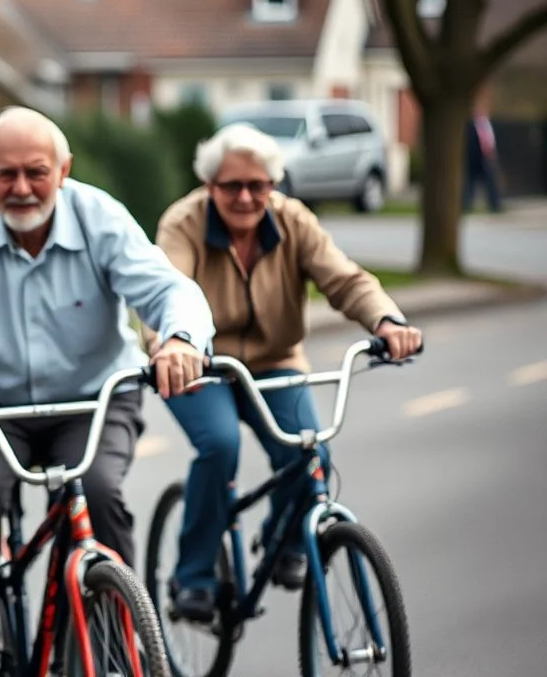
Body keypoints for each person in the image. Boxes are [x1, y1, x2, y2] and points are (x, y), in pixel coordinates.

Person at [0, 106, 216, 676]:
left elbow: (169, 288)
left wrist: (177, 340)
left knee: (100, 492)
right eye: (7, 175)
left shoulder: (100, 218)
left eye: (36, 172)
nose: (21, 188)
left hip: (94, 399)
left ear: (64, 169)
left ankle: (112, 636)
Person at [147, 122, 424, 623]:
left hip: (276, 360)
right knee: (220, 446)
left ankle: (286, 537)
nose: (246, 196)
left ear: (274, 185)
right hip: (199, 365)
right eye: (232, 185)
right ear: (210, 186)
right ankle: (193, 578)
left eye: (259, 185)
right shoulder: (183, 223)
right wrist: (172, 347)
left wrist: (387, 320)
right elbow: (163, 293)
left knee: (310, 449)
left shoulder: (293, 220)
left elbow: (345, 278)